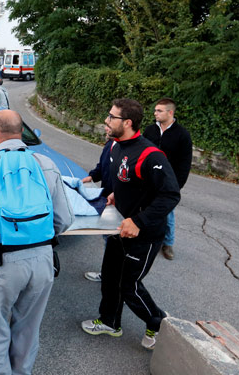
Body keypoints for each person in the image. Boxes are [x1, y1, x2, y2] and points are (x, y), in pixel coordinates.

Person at [0, 110, 74, 375]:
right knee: (29, 328)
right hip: (43, 261)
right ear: (21, 133)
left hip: (2, 262)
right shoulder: (46, 164)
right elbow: (64, 219)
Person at [81, 98, 180, 351]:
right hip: (118, 227)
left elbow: (170, 195)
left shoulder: (150, 155)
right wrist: (115, 195)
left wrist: (139, 220)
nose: (106, 120)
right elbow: (123, 180)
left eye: (111, 117)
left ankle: (159, 323)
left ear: (127, 122)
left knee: (129, 286)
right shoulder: (115, 147)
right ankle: (110, 322)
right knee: (110, 279)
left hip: (144, 234)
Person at [143, 98, 192, 261]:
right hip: (147, 179)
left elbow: (184, 163)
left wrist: (176, 186)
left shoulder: (182, 135)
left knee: (167, 213)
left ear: (170, 112)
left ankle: (168, 243)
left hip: (168, 182)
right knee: (144, 207)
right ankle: (145, 237)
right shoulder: (150, 130)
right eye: (155, 110)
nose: (155, 113)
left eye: (159, 111)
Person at [81, 128, 114, 282]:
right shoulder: (110, 145)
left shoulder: (130, 150)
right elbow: (102, 167)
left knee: (114, 242)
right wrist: (92, 176)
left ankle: (112, 277)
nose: (106, 126)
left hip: (119, 204)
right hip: (108, 201)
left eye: (111, 121)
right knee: (109, 240)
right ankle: (109, 274)